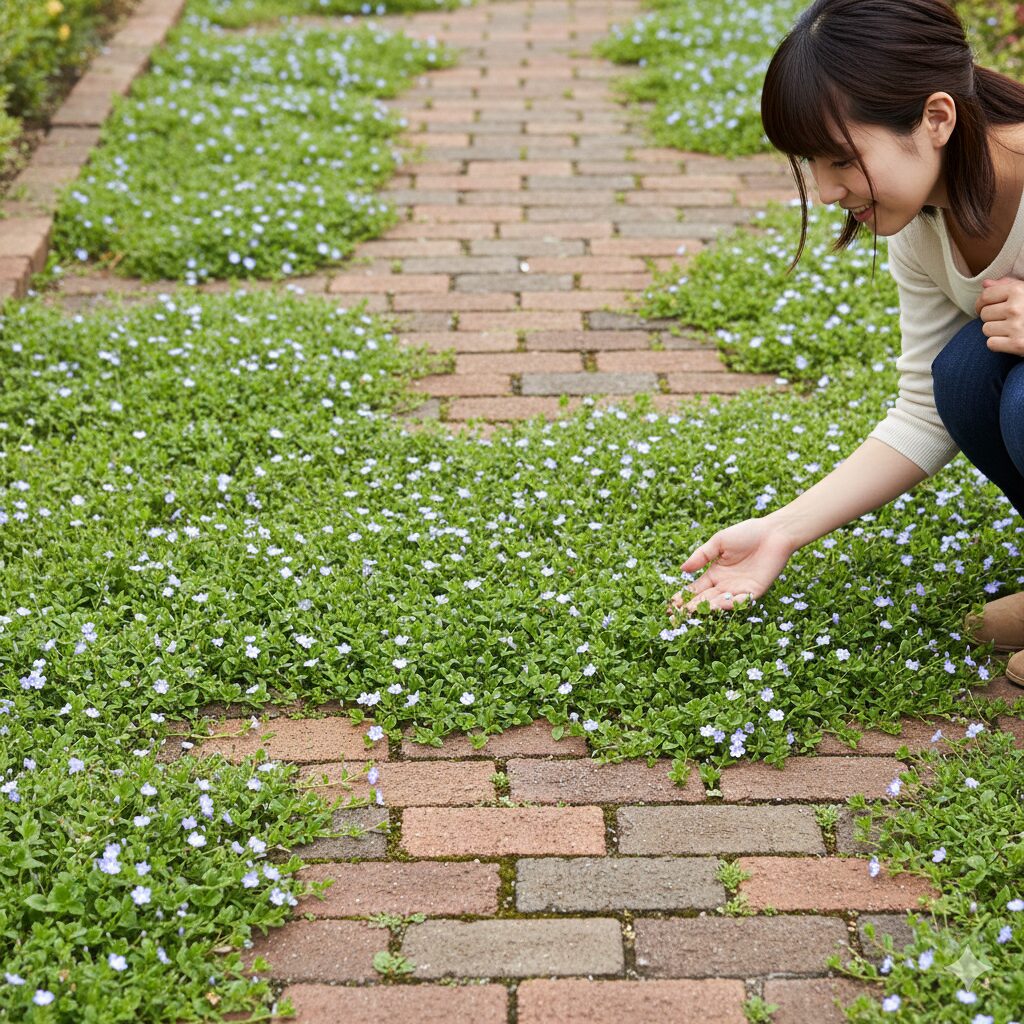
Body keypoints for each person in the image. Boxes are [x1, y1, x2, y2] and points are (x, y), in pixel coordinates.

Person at [666, 0, 1024, 688]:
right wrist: (782, 529)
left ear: (937, 118)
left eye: (840, 159)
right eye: (811, 162)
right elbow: (924, 413)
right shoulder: (924, 225)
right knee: (962, 376)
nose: (827, 191)